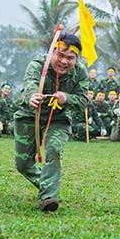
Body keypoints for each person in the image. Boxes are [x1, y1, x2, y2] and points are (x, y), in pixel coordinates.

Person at [13, 33, 88, 212]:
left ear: (76, 59)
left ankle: (48, 198)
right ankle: (47, 185)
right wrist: (31, 96)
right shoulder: (38, 65)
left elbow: (83, 100)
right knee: (22, 165)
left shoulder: (80, 72)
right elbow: (28, 84)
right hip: (29, 116)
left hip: (58, 120)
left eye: (70, 58)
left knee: (54, 149)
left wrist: (66, 98)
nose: (64, 61)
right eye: (60, 55)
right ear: (52, 52)